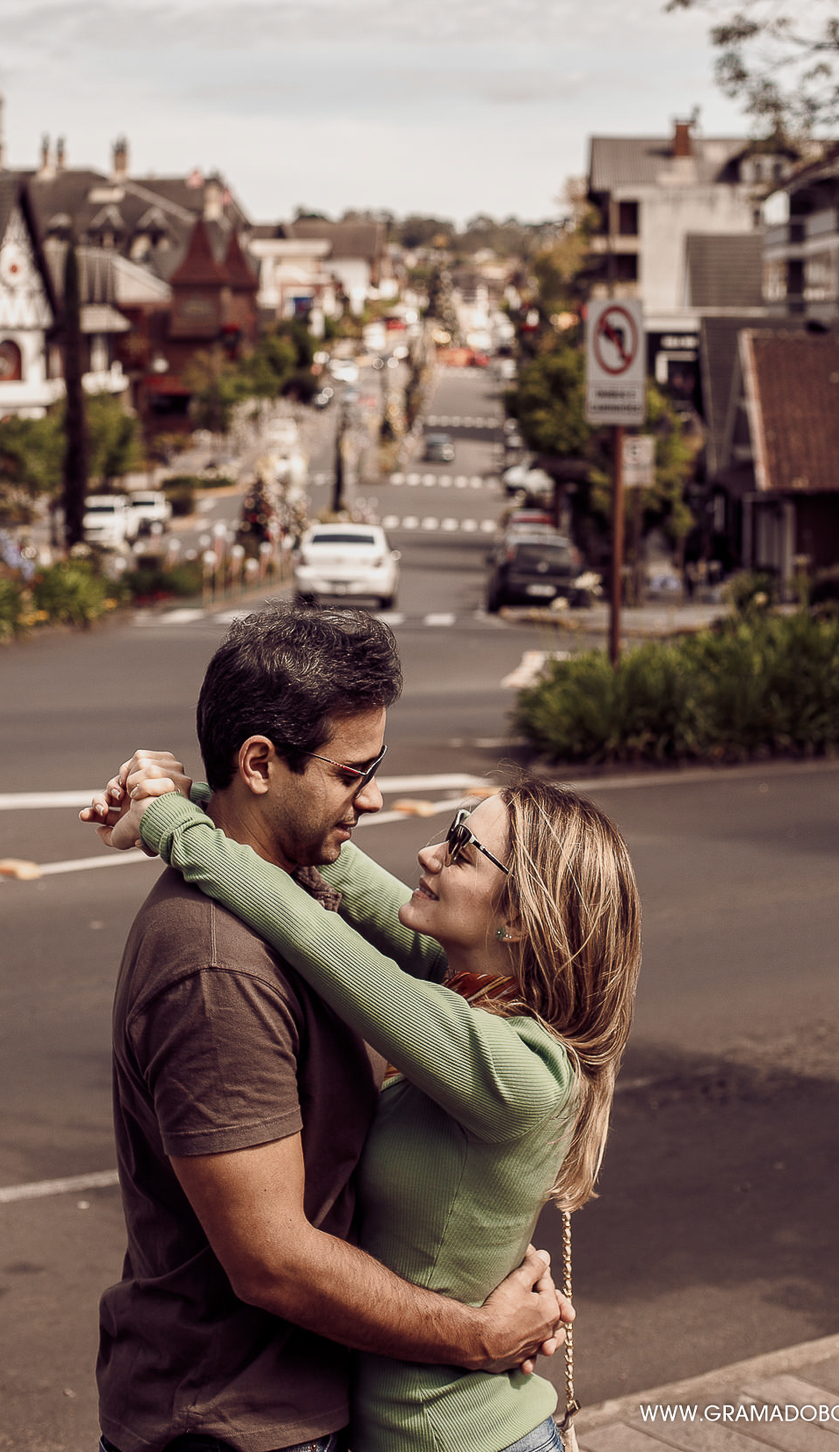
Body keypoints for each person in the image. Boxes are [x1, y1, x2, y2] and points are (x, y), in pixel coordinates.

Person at [82, 605, 568, 1452]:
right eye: (353, 774)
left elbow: (327, 916)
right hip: (235, 1422)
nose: (379, 804)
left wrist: (184, 807)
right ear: (262, 763)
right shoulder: (218, 963)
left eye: (460, 849)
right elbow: (272, 1260)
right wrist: (479, 1334)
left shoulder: (315, 897)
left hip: (308, 1408)